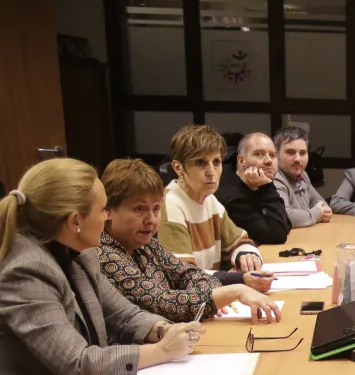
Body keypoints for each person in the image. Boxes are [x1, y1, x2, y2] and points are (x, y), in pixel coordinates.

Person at [0, 159, 201, 375]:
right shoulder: (27, 270)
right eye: (103, 209)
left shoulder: (79, 253)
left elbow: (123, 313)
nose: (106, 217)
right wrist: (161, 351)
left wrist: (164, 330)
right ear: (74, 221)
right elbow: (75, 360)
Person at [98, 159, 280, 324]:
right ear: (108, 210)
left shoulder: (145, 244)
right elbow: (162, 303)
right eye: (139, 209)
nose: (152, 220)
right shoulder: (105, 254)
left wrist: (209, 297)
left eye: (156, 209)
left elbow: (189, 273)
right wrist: (232, 292)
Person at [159, 125, 271, 293]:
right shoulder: (170, 204)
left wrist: (247, 255)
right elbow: (183, 276)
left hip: (208, 296)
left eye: (216, 162)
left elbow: (240, 242)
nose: (211, 172)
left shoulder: (210, 201)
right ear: (178, 167)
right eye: (200, 162)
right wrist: (240, 280)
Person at [214, 132, 291, 245]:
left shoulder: (258, 182)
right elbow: (278, 234)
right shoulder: (232, 196)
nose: (269, 161)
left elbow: (286, 224)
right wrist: (267, 187)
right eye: (259, 154)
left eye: (273, 155)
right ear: (241, 161)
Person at [272, 125, 333, 227]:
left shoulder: (302, 175)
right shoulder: (274, 177)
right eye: (290, 152)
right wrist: (316, 214)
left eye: (303, 153)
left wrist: (321, 212)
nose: (297, 159)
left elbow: (320, 203)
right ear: (276, 154)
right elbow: (286, 216)